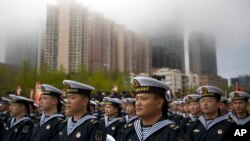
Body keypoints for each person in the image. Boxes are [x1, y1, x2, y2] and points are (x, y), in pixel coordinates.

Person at [119, 76, 184, 141]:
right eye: (136, 99)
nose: (137, 103)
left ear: (159, 103)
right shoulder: (128, 130)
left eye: (143, 99)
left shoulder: (172, 132)